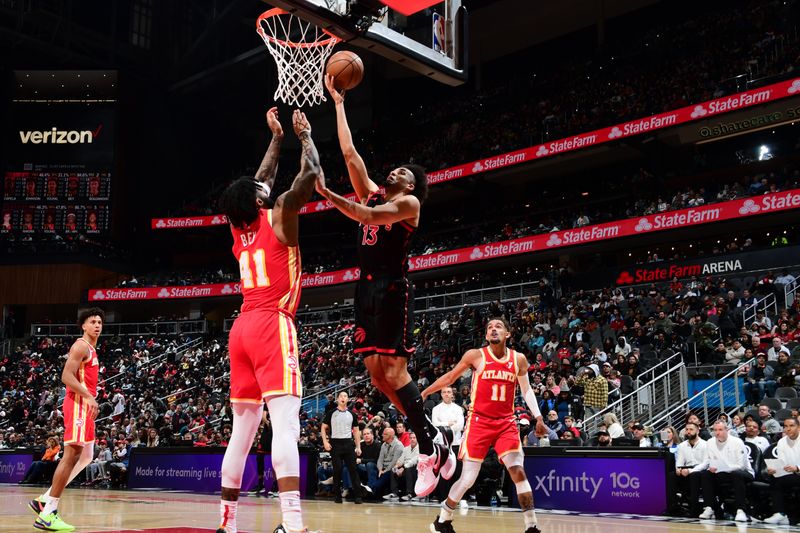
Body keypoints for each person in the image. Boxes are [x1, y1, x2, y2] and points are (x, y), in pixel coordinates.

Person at [318, 74, 450, 498]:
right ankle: (431, 435)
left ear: (410, 184)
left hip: (393, 287)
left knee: (394, 369)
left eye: (403, 171)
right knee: (376, 374)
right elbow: (350, 153)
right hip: (365, 288)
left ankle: (429, 442)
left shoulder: (408, 204)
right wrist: (338, 103)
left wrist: (328, 195)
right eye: (395, 168)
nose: (395, 170)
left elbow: (369, 219)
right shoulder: (375, 192)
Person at [215, 108, 321, 533]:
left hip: (239, 329)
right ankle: (293, 524)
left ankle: (228, 523)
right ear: (259, 199)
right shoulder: (279, 215)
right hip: (272, 323)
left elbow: (260, 179)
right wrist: (306, 137)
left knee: (241, 431)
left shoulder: (238, 228)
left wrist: (276, 140)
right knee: (285, 425)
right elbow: (309, 173)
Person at [422, 318, 547, 533]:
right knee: (468, 478)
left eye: (498, 326)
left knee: (517, 471)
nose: (493, 329)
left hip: (506, 422)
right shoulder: (475, 355)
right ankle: (442, 520)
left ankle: (531, 526)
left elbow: (526, 391)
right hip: (479, 421)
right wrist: (425, 392)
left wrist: (538, 417)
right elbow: (451, 377)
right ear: (486, 335)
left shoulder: (519, 359)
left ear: (507, 333)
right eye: (489, 327)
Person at [30, 307, 104, 532]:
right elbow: (66, 376)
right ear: (83, 325)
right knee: (72, 455)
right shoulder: (81, 345)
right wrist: (89, 396)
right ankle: (48, 512)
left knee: (88, 455)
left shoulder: (91, 348)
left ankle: (44, 499)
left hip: (86, 404)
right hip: (79, 404)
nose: (97, 325)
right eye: (92, 321)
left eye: (100, 322)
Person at [699, 420, 753, 522]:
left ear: (727, 430)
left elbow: (741, 466)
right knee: (706, 474)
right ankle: (709, 507)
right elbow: (707, 461)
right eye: (715, 430)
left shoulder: (737, 442)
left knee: (736, 474)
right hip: (721, 472)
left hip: (743, 472)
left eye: (720, 429)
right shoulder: (710, 442)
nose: (717, 432)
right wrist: (709, 468)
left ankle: (740, 510)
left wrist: (724, 468)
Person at [321, 391, 363, 504]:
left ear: (348, 399)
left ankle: (358, 496)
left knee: (353, 469)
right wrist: (325, 441)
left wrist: (358, 446)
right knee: (337, 469)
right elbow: (323, 427)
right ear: (338, 399)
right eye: (341, 396)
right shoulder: (331, 413)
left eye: (345, 396)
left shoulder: (352, 414)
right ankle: (337, 496)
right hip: (335, 443)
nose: (343, 398)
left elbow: (356, 431)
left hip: (348, 443)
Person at [764, 417, 800, 524]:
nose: (788, 429)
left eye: (791, 426)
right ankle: (780, 513)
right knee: (775, 478)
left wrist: (797, 467)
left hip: (798, 471)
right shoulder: (781, 442)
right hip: (791, 474)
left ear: (799, 427)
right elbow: (782, 462)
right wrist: (775, 469)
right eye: (785, 426)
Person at [673, 421, 707, 517]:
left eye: (691, 429)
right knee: (671, 475)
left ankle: (694, 509)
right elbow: (679, 462)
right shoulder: (682, 445)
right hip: (685, 469)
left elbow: (705, 463)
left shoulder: (705, 444)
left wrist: (690, 471)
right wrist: (678, 469)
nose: (688, 432)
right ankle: (673, 507)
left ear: (697, 431)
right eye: (687, 429)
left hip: (700, 470)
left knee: (694, 475)